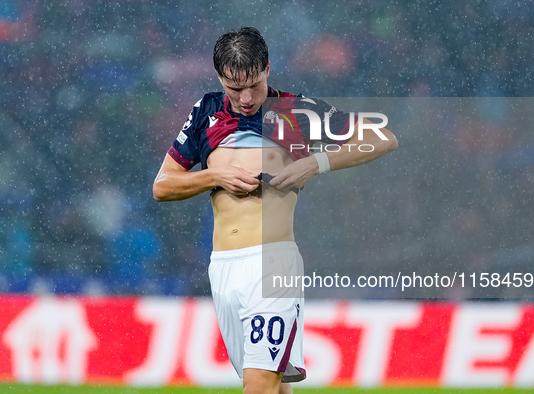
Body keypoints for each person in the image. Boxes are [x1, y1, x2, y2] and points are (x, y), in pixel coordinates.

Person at [153, 27, 397, 394]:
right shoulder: (205, 112)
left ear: (267, 68)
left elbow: (383, 138)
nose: (247, 97)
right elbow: (163, 186)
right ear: (220, 77)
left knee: (259, 386)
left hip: (271, 266)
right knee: (276, 386)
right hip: (222, 269)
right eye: (235, 89)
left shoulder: (295, 111)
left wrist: (316, 163)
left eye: (254, 84)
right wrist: (215, 175)